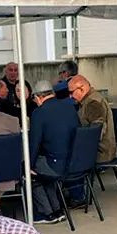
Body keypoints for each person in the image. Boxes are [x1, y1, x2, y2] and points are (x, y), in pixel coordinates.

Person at [29, 79, 79, 220]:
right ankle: (57, 210)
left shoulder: (39, 113)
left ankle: (46, 213)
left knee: (30, 174)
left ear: (38, 97)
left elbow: (34, 143)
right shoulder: (70, 107)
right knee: (44, 171)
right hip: (75, 163)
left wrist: (28, 165)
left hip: (56, 166)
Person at [69, 74, 117, 163]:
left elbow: (96, 133)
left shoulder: (93, 103)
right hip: (98, 149)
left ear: (81, 89)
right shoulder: (90, 99)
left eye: (71, 92)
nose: (70, 96)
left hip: (101, 153)